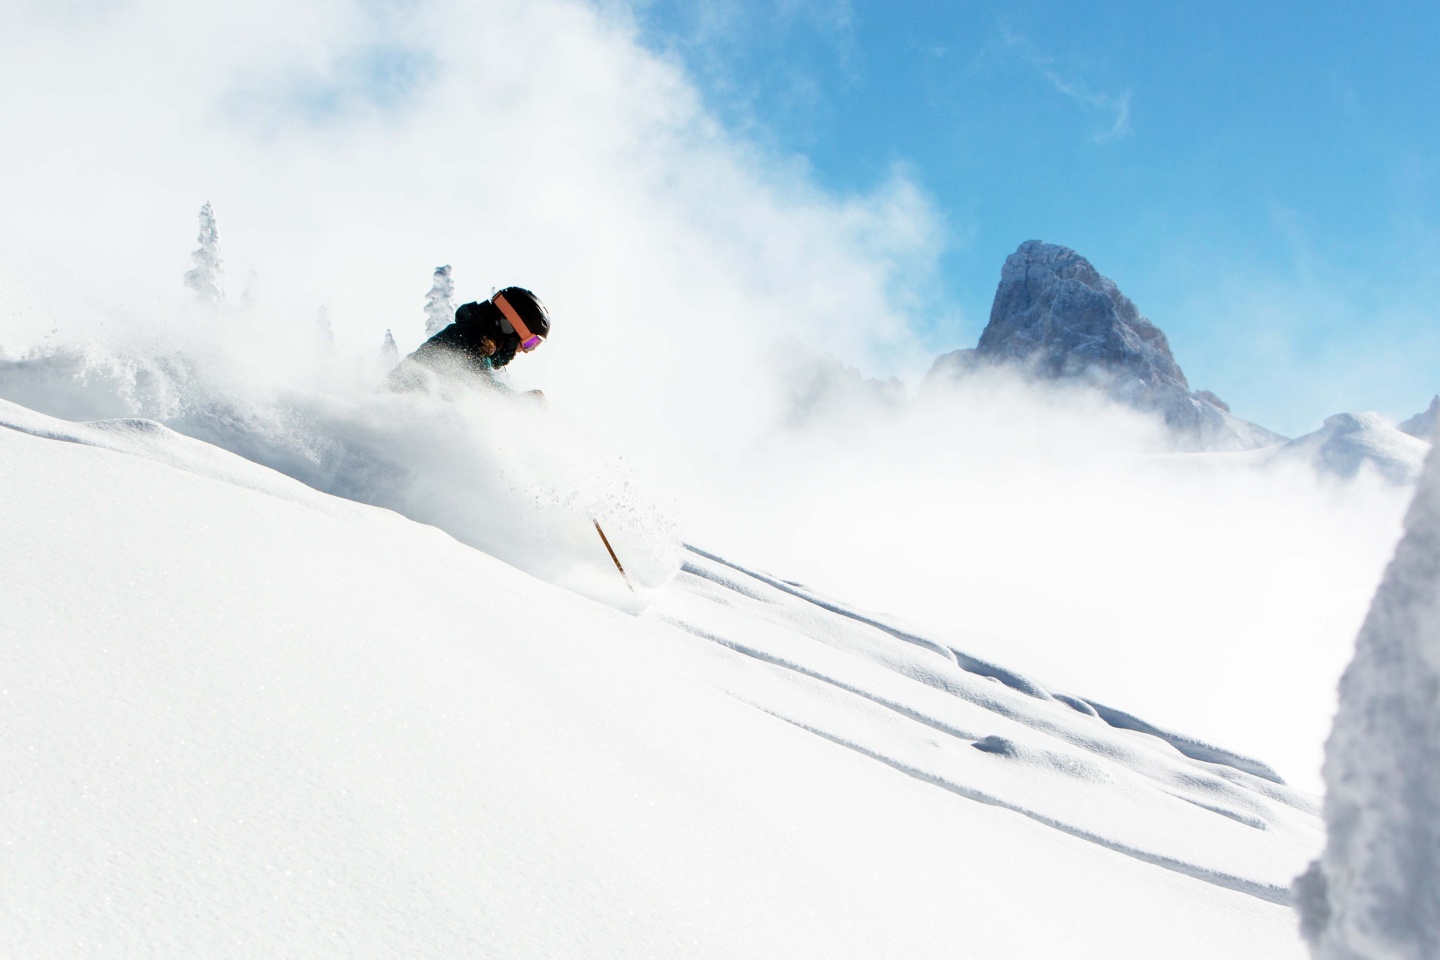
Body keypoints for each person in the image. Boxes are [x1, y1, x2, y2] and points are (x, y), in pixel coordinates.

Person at [393, 286, 551, 390]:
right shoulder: (467, 338)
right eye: (529, 342)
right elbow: (481, 385)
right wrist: (521, 404)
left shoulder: (474, 338)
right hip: (399, 409)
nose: (525, 351)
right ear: (510, 327)